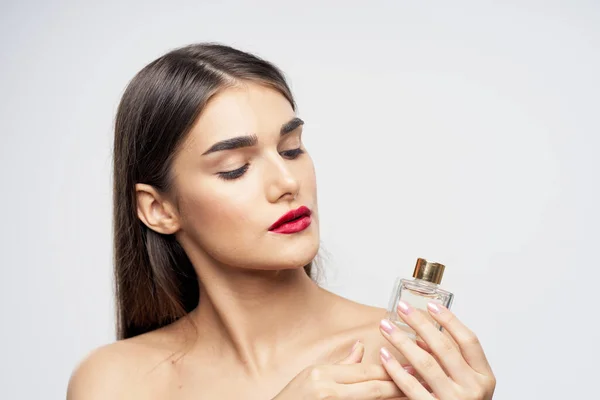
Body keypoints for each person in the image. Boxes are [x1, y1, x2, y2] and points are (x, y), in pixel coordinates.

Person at [67, 43, 496, 399]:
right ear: (159, 209)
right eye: (235, 167)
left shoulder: (401, 359)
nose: (287, 182)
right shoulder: (113, 382)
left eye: (292, 148)